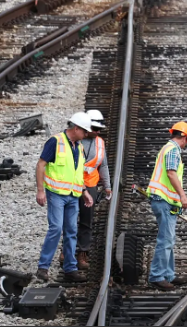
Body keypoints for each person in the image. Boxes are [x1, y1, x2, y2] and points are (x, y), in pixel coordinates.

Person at [34, 112, 94, 283]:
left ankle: (70, 269)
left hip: (73, 196)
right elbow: (41, 165)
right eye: (84, 131)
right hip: (57, 195)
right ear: (76, 128)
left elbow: (76, 174)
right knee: (56, 229)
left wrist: (84, 191)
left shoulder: (79, 147)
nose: (86, 135)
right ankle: (43, 267)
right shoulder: (56, 141)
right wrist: (40, 191)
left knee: (71, 232)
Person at [147, 121, 187, 290]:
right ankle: (157, 276)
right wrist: (183, 196)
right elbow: (171, 173)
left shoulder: (166, 148)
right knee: (166, 239)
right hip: (163, 200)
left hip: (164, 200)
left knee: (169, 238)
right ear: (183, 137)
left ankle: (168, 274)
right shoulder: (173, 150)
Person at [74, 109, 112, 270]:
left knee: (86, 220)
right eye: (94, 129)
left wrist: (107, 186)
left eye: (99, 130)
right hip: (73, 183)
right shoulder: (75, 141)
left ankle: (83, 253)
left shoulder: (100, 143)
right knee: (68, 220)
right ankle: (66, 251)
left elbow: (103, 164)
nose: (97, 132)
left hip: (90, 184)